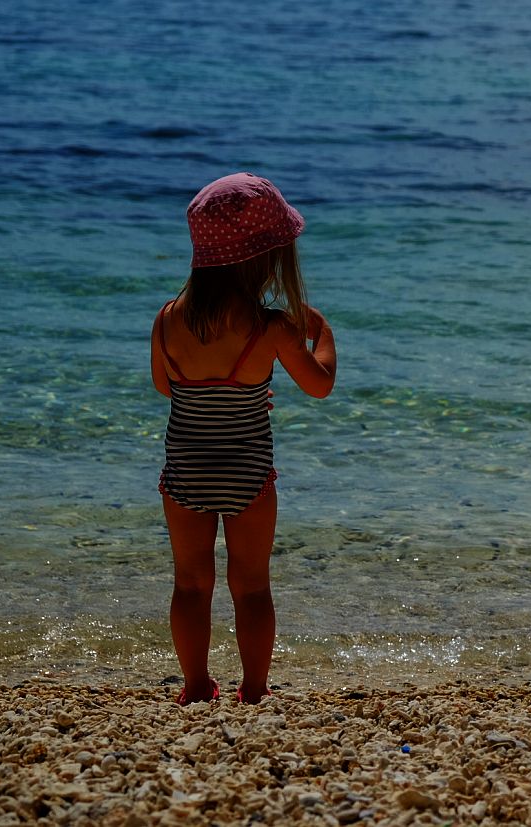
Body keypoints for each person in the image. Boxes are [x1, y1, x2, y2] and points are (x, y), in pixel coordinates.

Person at [150, 172, 336, 705]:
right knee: (251, 585)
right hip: (248, 476)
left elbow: (168, 388)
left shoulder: (166, 321)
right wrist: (322, 333)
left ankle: (194, 684)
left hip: (185, 473)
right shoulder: (272, 327)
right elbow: (319, 385)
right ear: (263, 258)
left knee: (190, 583)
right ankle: (254, 688)